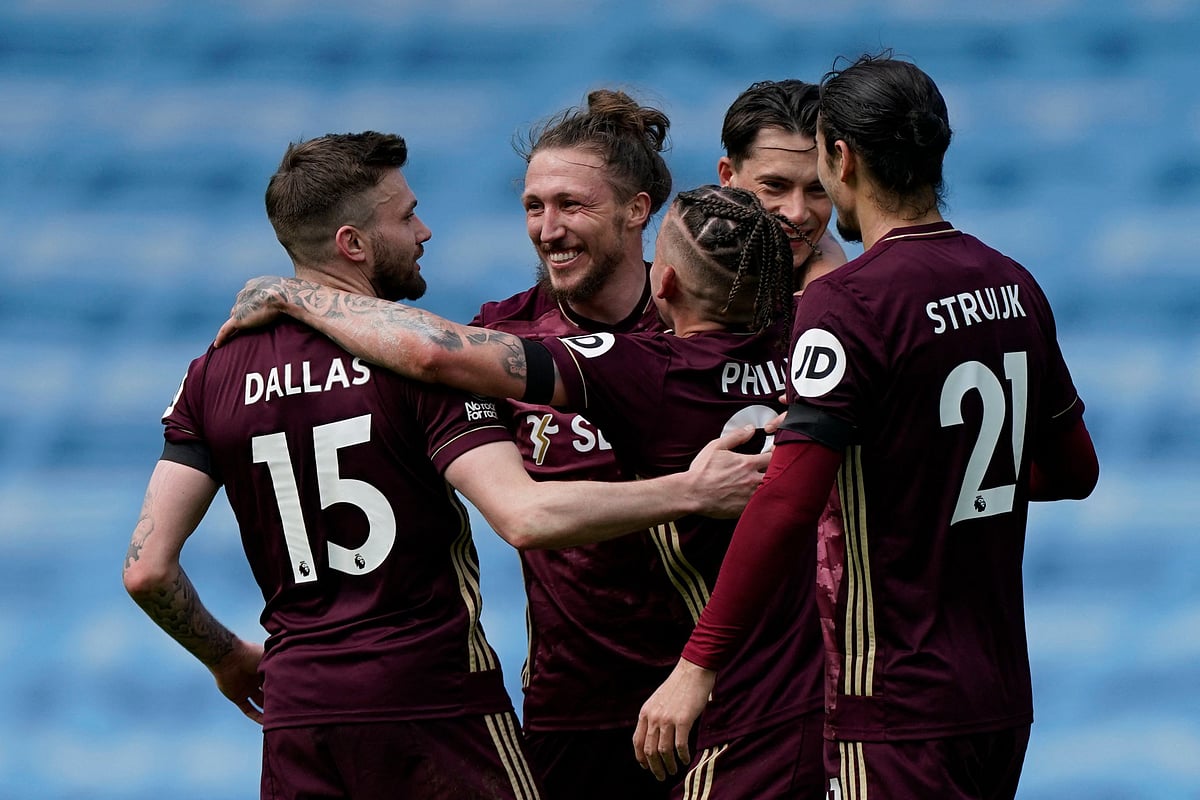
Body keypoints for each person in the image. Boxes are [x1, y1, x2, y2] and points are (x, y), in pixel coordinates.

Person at [121, 132, 769, 800]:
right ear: (354, 244)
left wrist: (227, 660)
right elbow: (524, 514)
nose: (424, 230)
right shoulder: (425, 363)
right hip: (436, 704)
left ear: (638, 211)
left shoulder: (211, 375)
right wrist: (692, 491)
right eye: (405, 217)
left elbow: (146, 569)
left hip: (298, 715)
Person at [634, 53, 1100, 800]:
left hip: (893, 699)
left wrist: (696, 666)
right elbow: (1076, 472)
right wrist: (930, 476)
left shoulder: (848, 303)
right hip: (1000, 697)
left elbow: (786, 499)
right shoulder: (1013, 283)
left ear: (841, 157)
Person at [717, 79, 847, 291]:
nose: (797, 213)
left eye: (818, 188)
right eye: (775, 186)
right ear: (728, 175)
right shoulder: (685, 284)